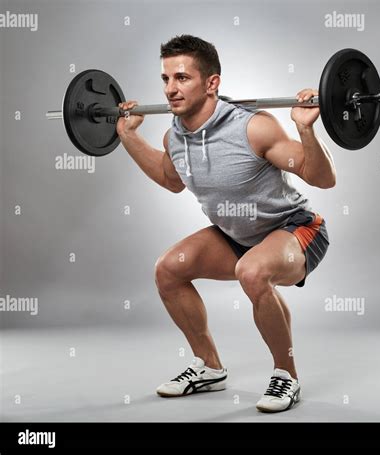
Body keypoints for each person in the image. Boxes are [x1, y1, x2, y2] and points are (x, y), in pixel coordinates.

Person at [117, 35, 335, 413]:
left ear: (212, 83)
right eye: (166, 79)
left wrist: (305, 130)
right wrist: (127, 135)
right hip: (237, 235)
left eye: (182, 78)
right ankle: (210, 368)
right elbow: (171, 179)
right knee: (169, 270)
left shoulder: (254, 128)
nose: (171, 89)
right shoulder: (176, 137)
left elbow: (322, 178)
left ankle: (287, 375)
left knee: (252, 271)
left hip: (295, 228)